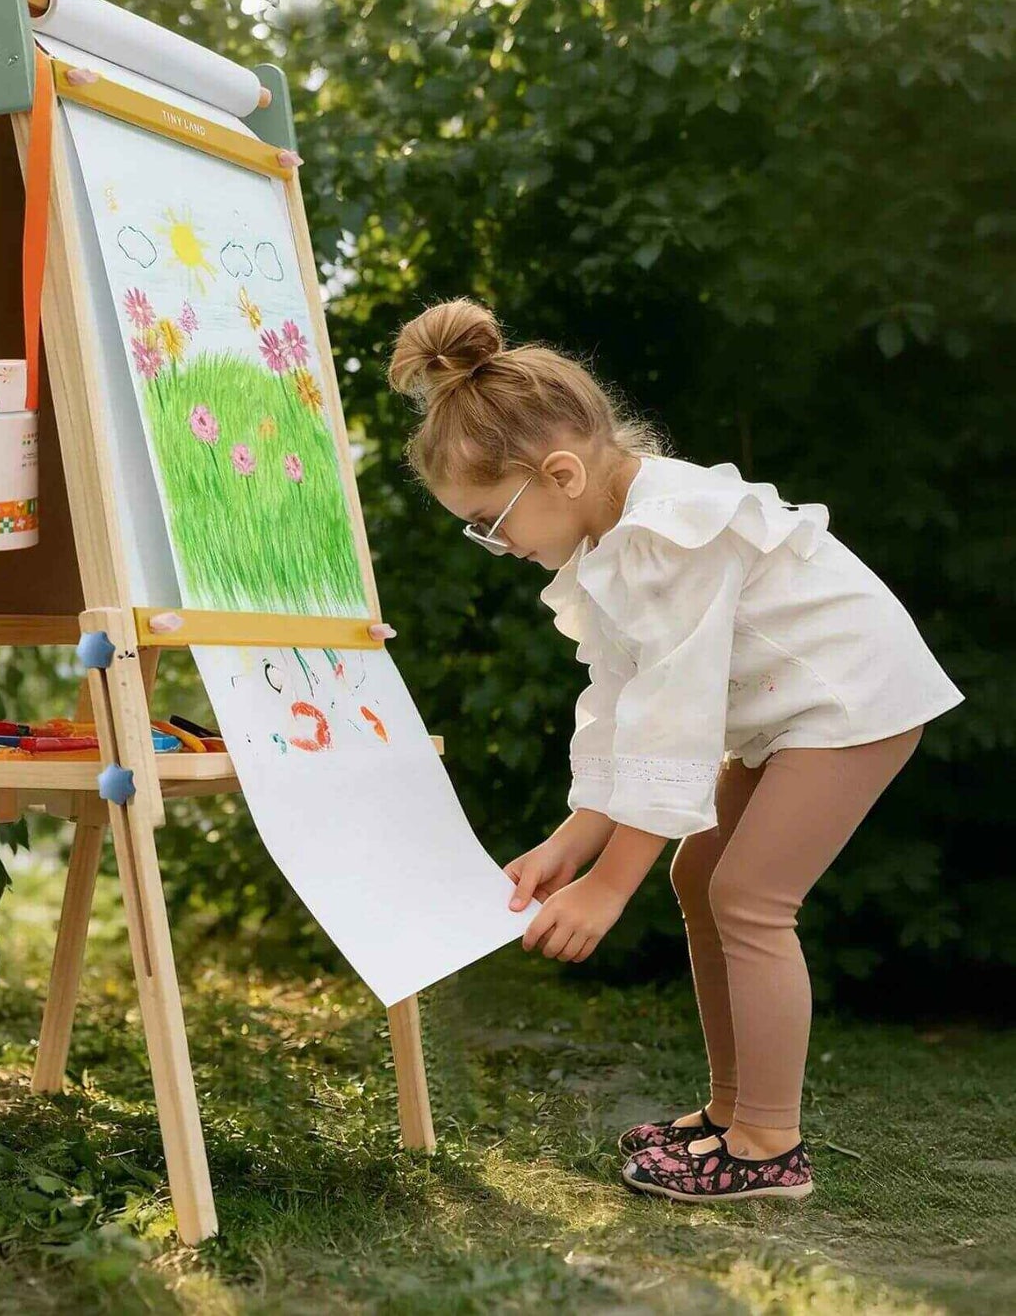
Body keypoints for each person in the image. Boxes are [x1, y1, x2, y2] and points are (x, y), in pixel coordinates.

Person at [388, 297, 964, 1204]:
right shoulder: (609, 541)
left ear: (561, 472)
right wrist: (573, 840)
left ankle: (769, 1144)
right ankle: (732, 1114)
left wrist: (609, 884)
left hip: (851, 697)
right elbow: (625, 698)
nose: (492, 545)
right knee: (698, 880)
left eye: (489, 521)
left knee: (749, 896)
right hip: (785, 712)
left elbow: (679, 715)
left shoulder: (668, 532)